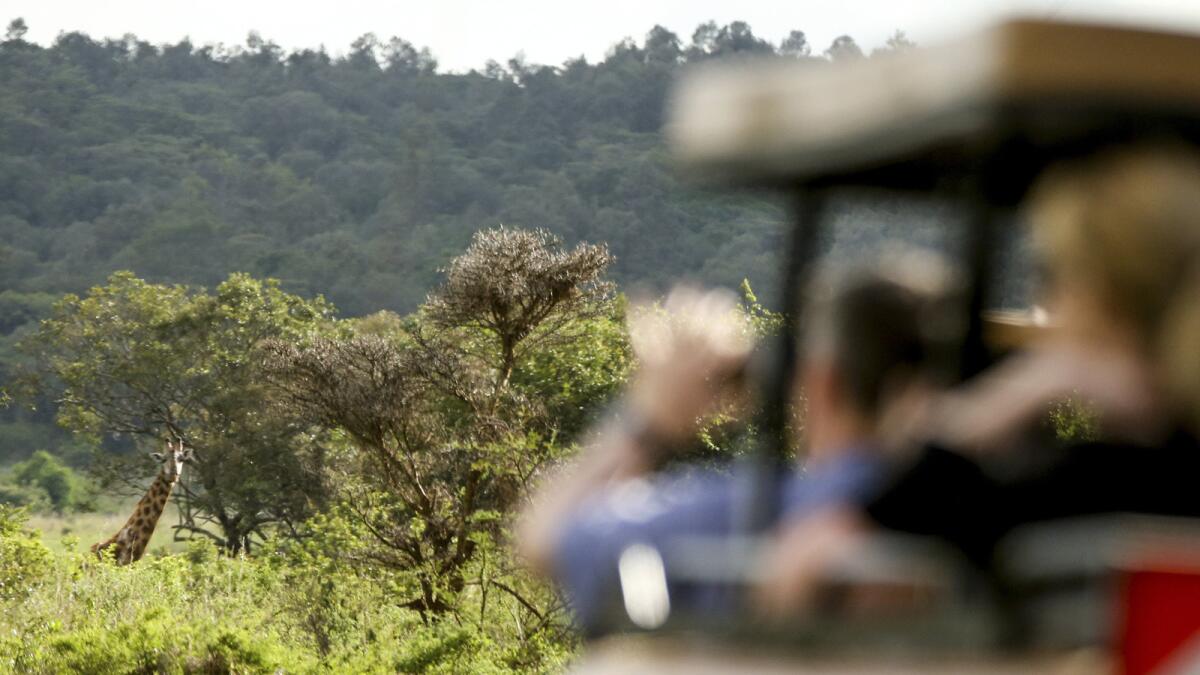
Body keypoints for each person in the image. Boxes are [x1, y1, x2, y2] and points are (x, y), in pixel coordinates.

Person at [755, 144, 1200, 614]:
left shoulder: (1056, 488)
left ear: (1095, 297)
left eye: (1049, 276)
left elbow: (794, 575)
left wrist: (984, 416)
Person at [518, 259, 955, 632]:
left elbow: (543, 541)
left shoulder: (769, 509)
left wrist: (649, 424)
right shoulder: (983, 508)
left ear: (824, 383)